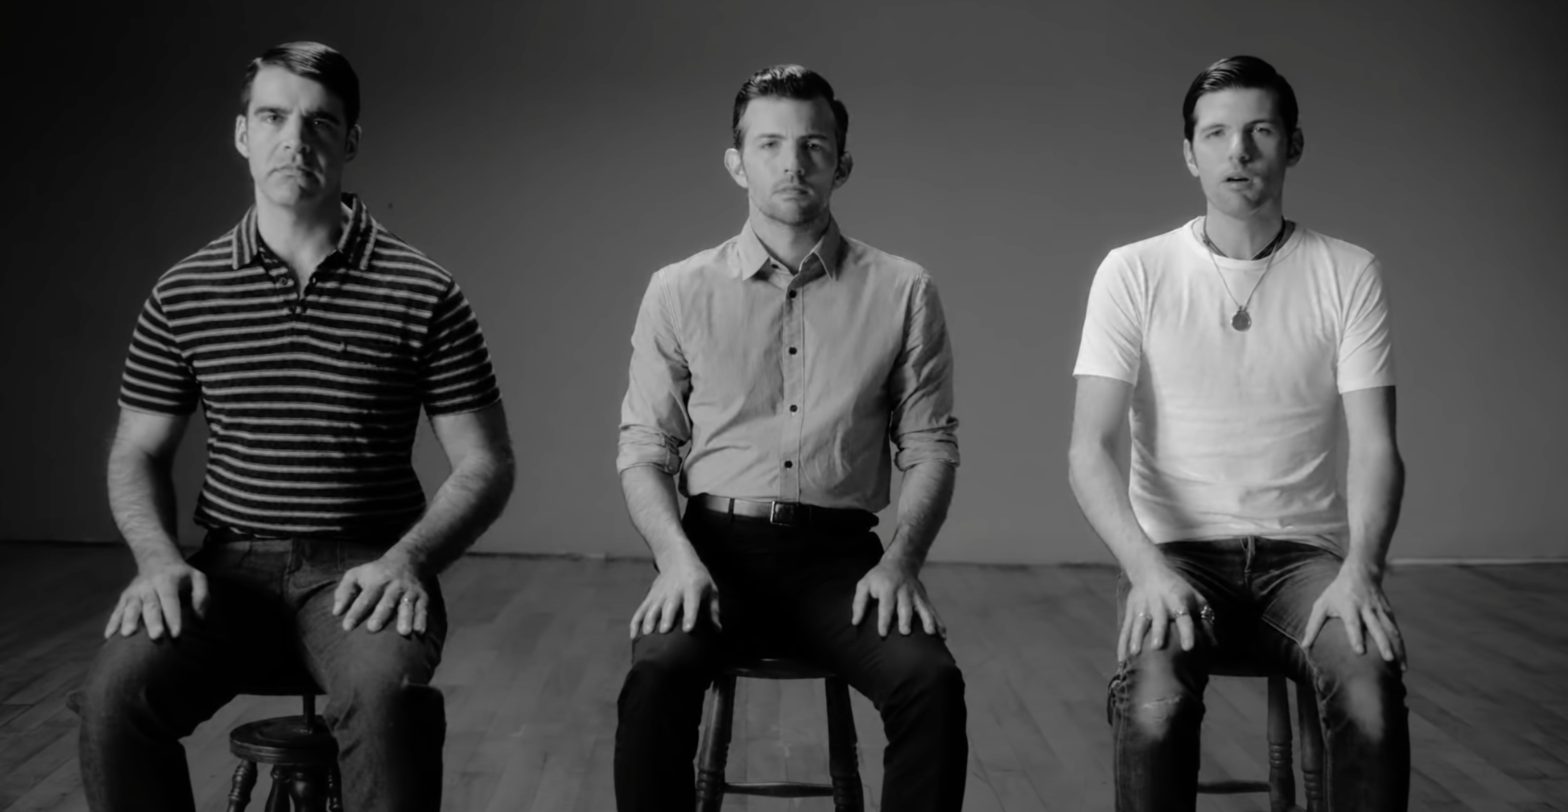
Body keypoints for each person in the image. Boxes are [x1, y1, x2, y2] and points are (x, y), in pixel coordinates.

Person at [74, 41, 515, 812]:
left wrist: (409, 562)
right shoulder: (185, 290)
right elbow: (138, 449)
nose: (294, 139)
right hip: (227, 570)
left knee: (388, 704)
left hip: (366, 572)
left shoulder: (423, 290)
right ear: (242, 134)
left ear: (350, 142)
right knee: (112, 705)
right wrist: (155, 561)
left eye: (319, 122)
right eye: (273, 117)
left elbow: (485, 463)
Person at [612, 64, 969, 811]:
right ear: (737, 162)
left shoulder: (903, 289)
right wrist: (674, 560)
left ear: (842, 162)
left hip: (838, 560)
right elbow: (646, 449)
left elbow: (930, 447)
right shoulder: (677, 289)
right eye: (769, 144)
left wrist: (902, 563)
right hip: (714, 551)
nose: (791, 163)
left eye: (813, 145)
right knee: (656, 676)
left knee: (930, 683)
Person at [1068, 54, 1412, 811]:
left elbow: (1377, 448)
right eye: (1216, 133)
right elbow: (1089, 450)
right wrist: (1147, 571)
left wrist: (1363, 571)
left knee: (1369, 682)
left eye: (1260, 130)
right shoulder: (1135, 271)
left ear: (1293, 144)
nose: (1239, 151)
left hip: (1304, 560)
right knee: (1153, 706)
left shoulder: (1348, 271)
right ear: (1190, 153)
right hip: (1176, 557)